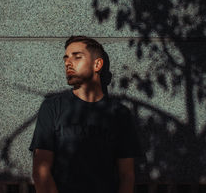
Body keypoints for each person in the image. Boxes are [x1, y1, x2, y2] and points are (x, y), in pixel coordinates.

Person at [29, 35, 142, 193]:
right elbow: (41, 171)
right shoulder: (52, 107)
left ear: (97, 64)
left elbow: (127, 175)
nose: (68, 63)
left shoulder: (119, 114)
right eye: (66, 58)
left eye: (77, 57)